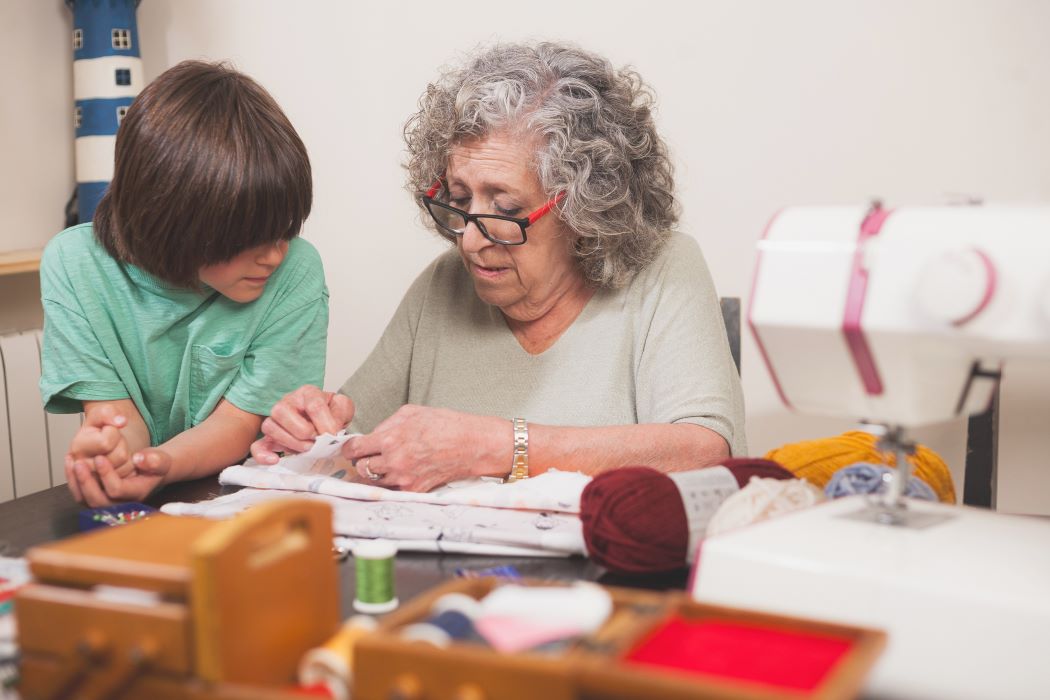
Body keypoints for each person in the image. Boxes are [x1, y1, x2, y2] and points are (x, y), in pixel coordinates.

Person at [252, 42, 744, 492]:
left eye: (506, 210)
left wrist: (496, 447)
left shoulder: (665, 270)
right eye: (459, 199)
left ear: (585, 207)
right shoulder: (444, 284)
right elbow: (352, 447)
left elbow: (707, 453)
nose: (468, 241)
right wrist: (308, 438)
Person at [40, 60, 328, 507]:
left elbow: (239, 422)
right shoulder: (75, 263)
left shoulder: (295, 272)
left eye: (284, 230)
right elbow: (116, 417)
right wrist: (114, 454)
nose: (274, 255)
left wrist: (160, 465)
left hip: (244, 498)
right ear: (171, 218)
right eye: (249, 238)